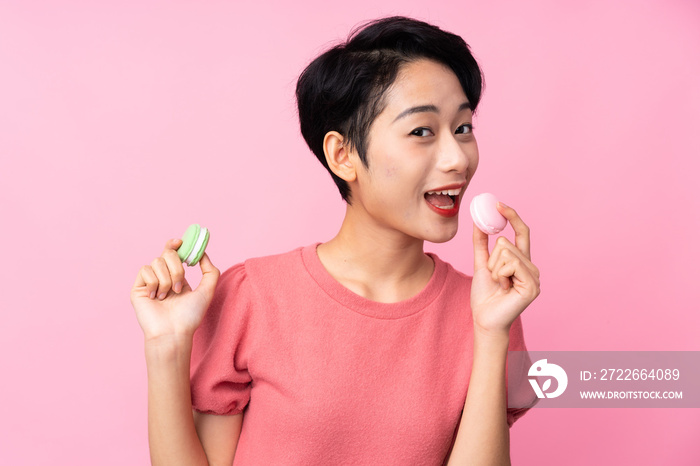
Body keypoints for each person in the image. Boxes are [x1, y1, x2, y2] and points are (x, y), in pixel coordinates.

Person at [131, 16, 541, 466]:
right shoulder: (253, 295)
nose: (457, 157)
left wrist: (490, 331)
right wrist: (166, 347)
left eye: (463, 128)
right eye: (421, 131)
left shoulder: (486, 309)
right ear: (342, 155)